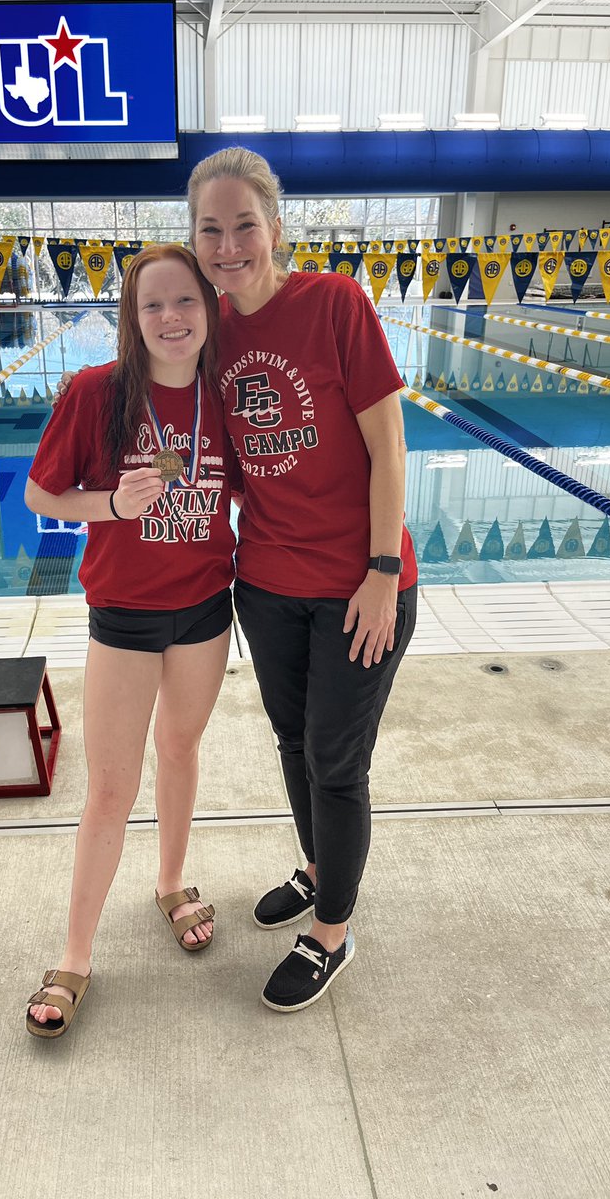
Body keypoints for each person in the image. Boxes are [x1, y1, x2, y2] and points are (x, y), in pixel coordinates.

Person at [186, 147, 418, 1013]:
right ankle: (321, 868)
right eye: (211, 229)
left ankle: (332, 932)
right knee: (293, 743)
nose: (229, 246)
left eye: (244, 225)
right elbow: (201, 449)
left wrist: (382, 571)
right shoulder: (209, 332)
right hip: (268, 583)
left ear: (275, 229)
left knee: (334, 758)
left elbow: (388, 446)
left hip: (361, 583)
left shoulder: (334, 304)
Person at [24, 243, 237, 1038]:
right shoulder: (98, 392)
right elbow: (42, 493)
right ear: (132, 316)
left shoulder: (225, 394)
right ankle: (74, 957)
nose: (171, 317)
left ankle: (171, 882)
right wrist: (112, 505)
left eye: (186, 301)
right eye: (153, 304)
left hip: (207, 606)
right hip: (123, 613)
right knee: (111, 789)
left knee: (180, 748)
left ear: (209, 309)